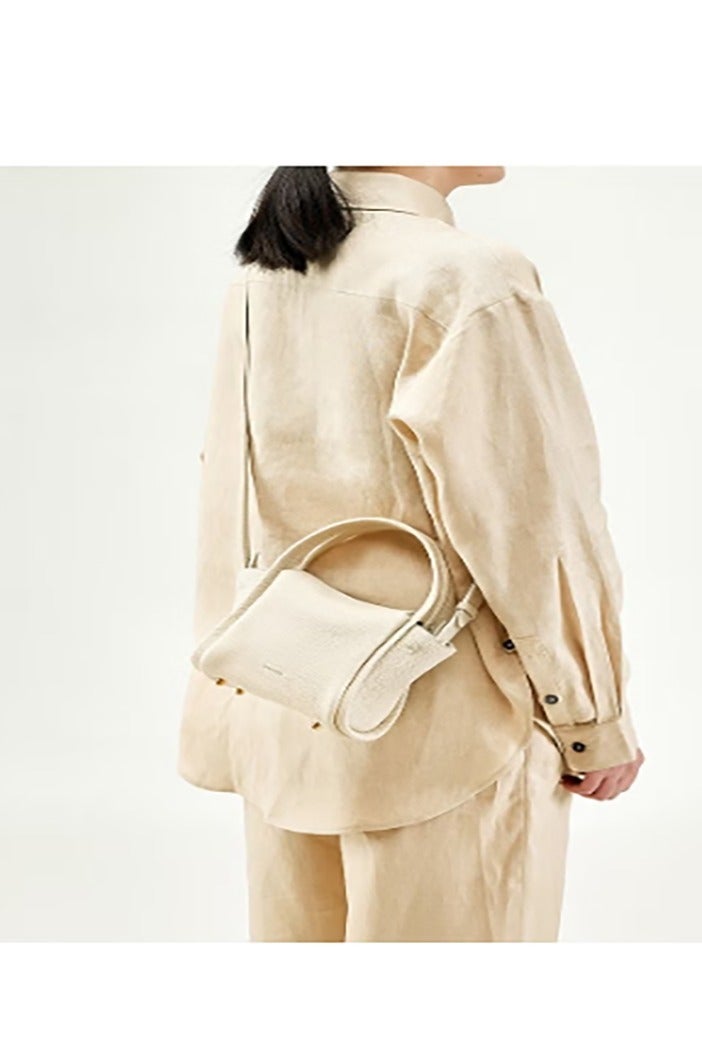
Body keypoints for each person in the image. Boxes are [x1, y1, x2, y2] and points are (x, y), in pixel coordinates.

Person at [177, 166, 645, 943]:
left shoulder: (269, 272)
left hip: (291, 706)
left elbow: (231, 501)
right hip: (451, 730)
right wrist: (590, 717)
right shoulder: (467, 277)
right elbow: (533, 521)